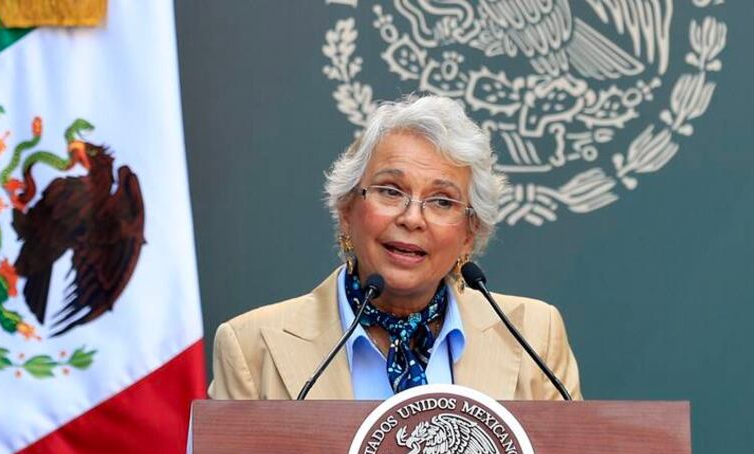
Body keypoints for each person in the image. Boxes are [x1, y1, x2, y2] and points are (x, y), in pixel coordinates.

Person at [208, 95, 581, 401]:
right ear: (346, 210)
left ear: (470, 234)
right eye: (390, 191)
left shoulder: (535, 336)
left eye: (442, 201)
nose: (412, 219)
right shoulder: (251, 347)